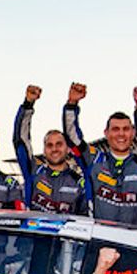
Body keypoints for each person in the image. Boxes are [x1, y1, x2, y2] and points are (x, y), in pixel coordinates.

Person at [62, 83, 137, 227]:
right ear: (106, 133)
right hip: (99, 240)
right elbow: (72, 138)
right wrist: (72, 104)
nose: (121, 134)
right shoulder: (95, 160)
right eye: (115, 129)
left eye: (125, 129)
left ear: (133, 133)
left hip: (132, 243)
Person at [13, 85, 87, 214]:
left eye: (59, 144)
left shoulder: (79, 183)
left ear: (68, 149)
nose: (54, 149)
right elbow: (21, 139)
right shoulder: (34, 173)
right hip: (33, 233)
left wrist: (72, 104)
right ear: (44, 150)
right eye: (49, 145)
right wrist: (28, 103)